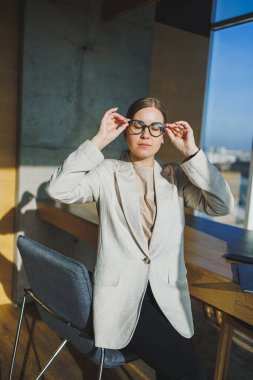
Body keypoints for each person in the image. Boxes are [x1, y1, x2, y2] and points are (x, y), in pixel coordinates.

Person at [46, 97, 234, 379]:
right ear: (126, 129)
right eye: (138, 126)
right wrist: (99, 140)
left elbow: (222, 205)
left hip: (169, 298)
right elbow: (59, 189)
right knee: (189, 369)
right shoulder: (107, 172)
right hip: (122, 297)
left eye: (155, 127)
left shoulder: (177, 176)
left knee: (177, 367)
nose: (146, 134)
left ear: (163, 136)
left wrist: (192, 152)